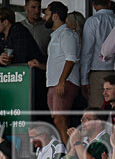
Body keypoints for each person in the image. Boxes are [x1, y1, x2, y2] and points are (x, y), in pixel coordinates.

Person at [28, 1, 80, 144]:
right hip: (55, 83)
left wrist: (62, 81)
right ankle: (67, 150)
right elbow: (57, 62)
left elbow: (71, 59)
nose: (44, 17)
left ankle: (70, 154)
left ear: (55, 16)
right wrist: (40, 65)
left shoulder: (67, 34)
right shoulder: (57, 35)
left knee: (59, 119)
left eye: (47, 14)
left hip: (63, 83)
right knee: (58, 120)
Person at [79, 0, 115, 107]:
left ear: (93, 5)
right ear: (109, 3)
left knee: (96, 110)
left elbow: (87, 52)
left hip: (97, 73)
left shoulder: (92, 21)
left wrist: (84, 79)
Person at [0, 6, 44, 70]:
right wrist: (0, 60)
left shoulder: (19, 31)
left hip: (32, 73)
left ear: (5, 22)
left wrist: (9, 60)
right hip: (16, 74)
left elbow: (22, 57)